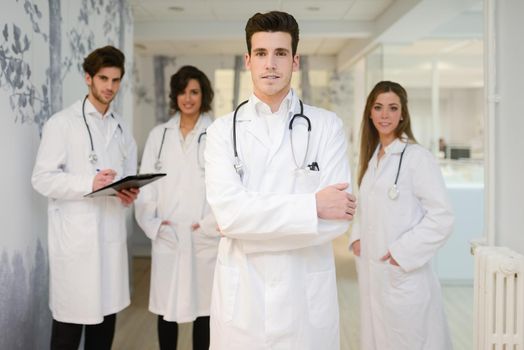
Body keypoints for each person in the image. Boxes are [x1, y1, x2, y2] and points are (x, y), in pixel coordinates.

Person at [204, 11, 356, 350]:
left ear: (295, 61)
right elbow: (228, 215)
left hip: (305, 299)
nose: (270, 64)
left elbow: (338, 222)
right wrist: (312, 207)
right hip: (243, 300)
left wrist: (249, 227)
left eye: (280, 53)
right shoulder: (220, 132)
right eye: (261, 53)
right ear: (248, 60)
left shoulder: (326, 126)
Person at [31, 45, 139, 350]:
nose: (110, 87)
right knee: (67, 331)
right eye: (103, 78)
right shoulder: (63, 123)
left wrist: (127, 193)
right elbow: (42, 178)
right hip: (77, 245)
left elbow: (126, 175)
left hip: (110, 240)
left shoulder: (121, 129)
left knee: (103, 331)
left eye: (116, 80)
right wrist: (88, 182)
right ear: (88, 78)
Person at [349, 81, 454, 350]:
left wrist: (402, 253)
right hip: (375, 273)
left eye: (393, 108)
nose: (385, 115)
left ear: (403, 114)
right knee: (380, 336)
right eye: (378, 107)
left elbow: (441, 217)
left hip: (402, 274)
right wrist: (358, 236)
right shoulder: (374, 158)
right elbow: (367, 205)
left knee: (408, 339)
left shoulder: (417, 158)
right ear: (370, 113)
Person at [135, 65, 219, 350]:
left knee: (205, 311)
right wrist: (154, 224)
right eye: (182, 91)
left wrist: (210, 224)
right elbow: (145, 185)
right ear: (175, 95)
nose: (188, 98)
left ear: (203, 95)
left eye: (194, 91)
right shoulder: (158, 136)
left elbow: (226, 187)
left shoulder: (217, 134)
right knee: (166, 308)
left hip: (203, 235)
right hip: (168, 235)